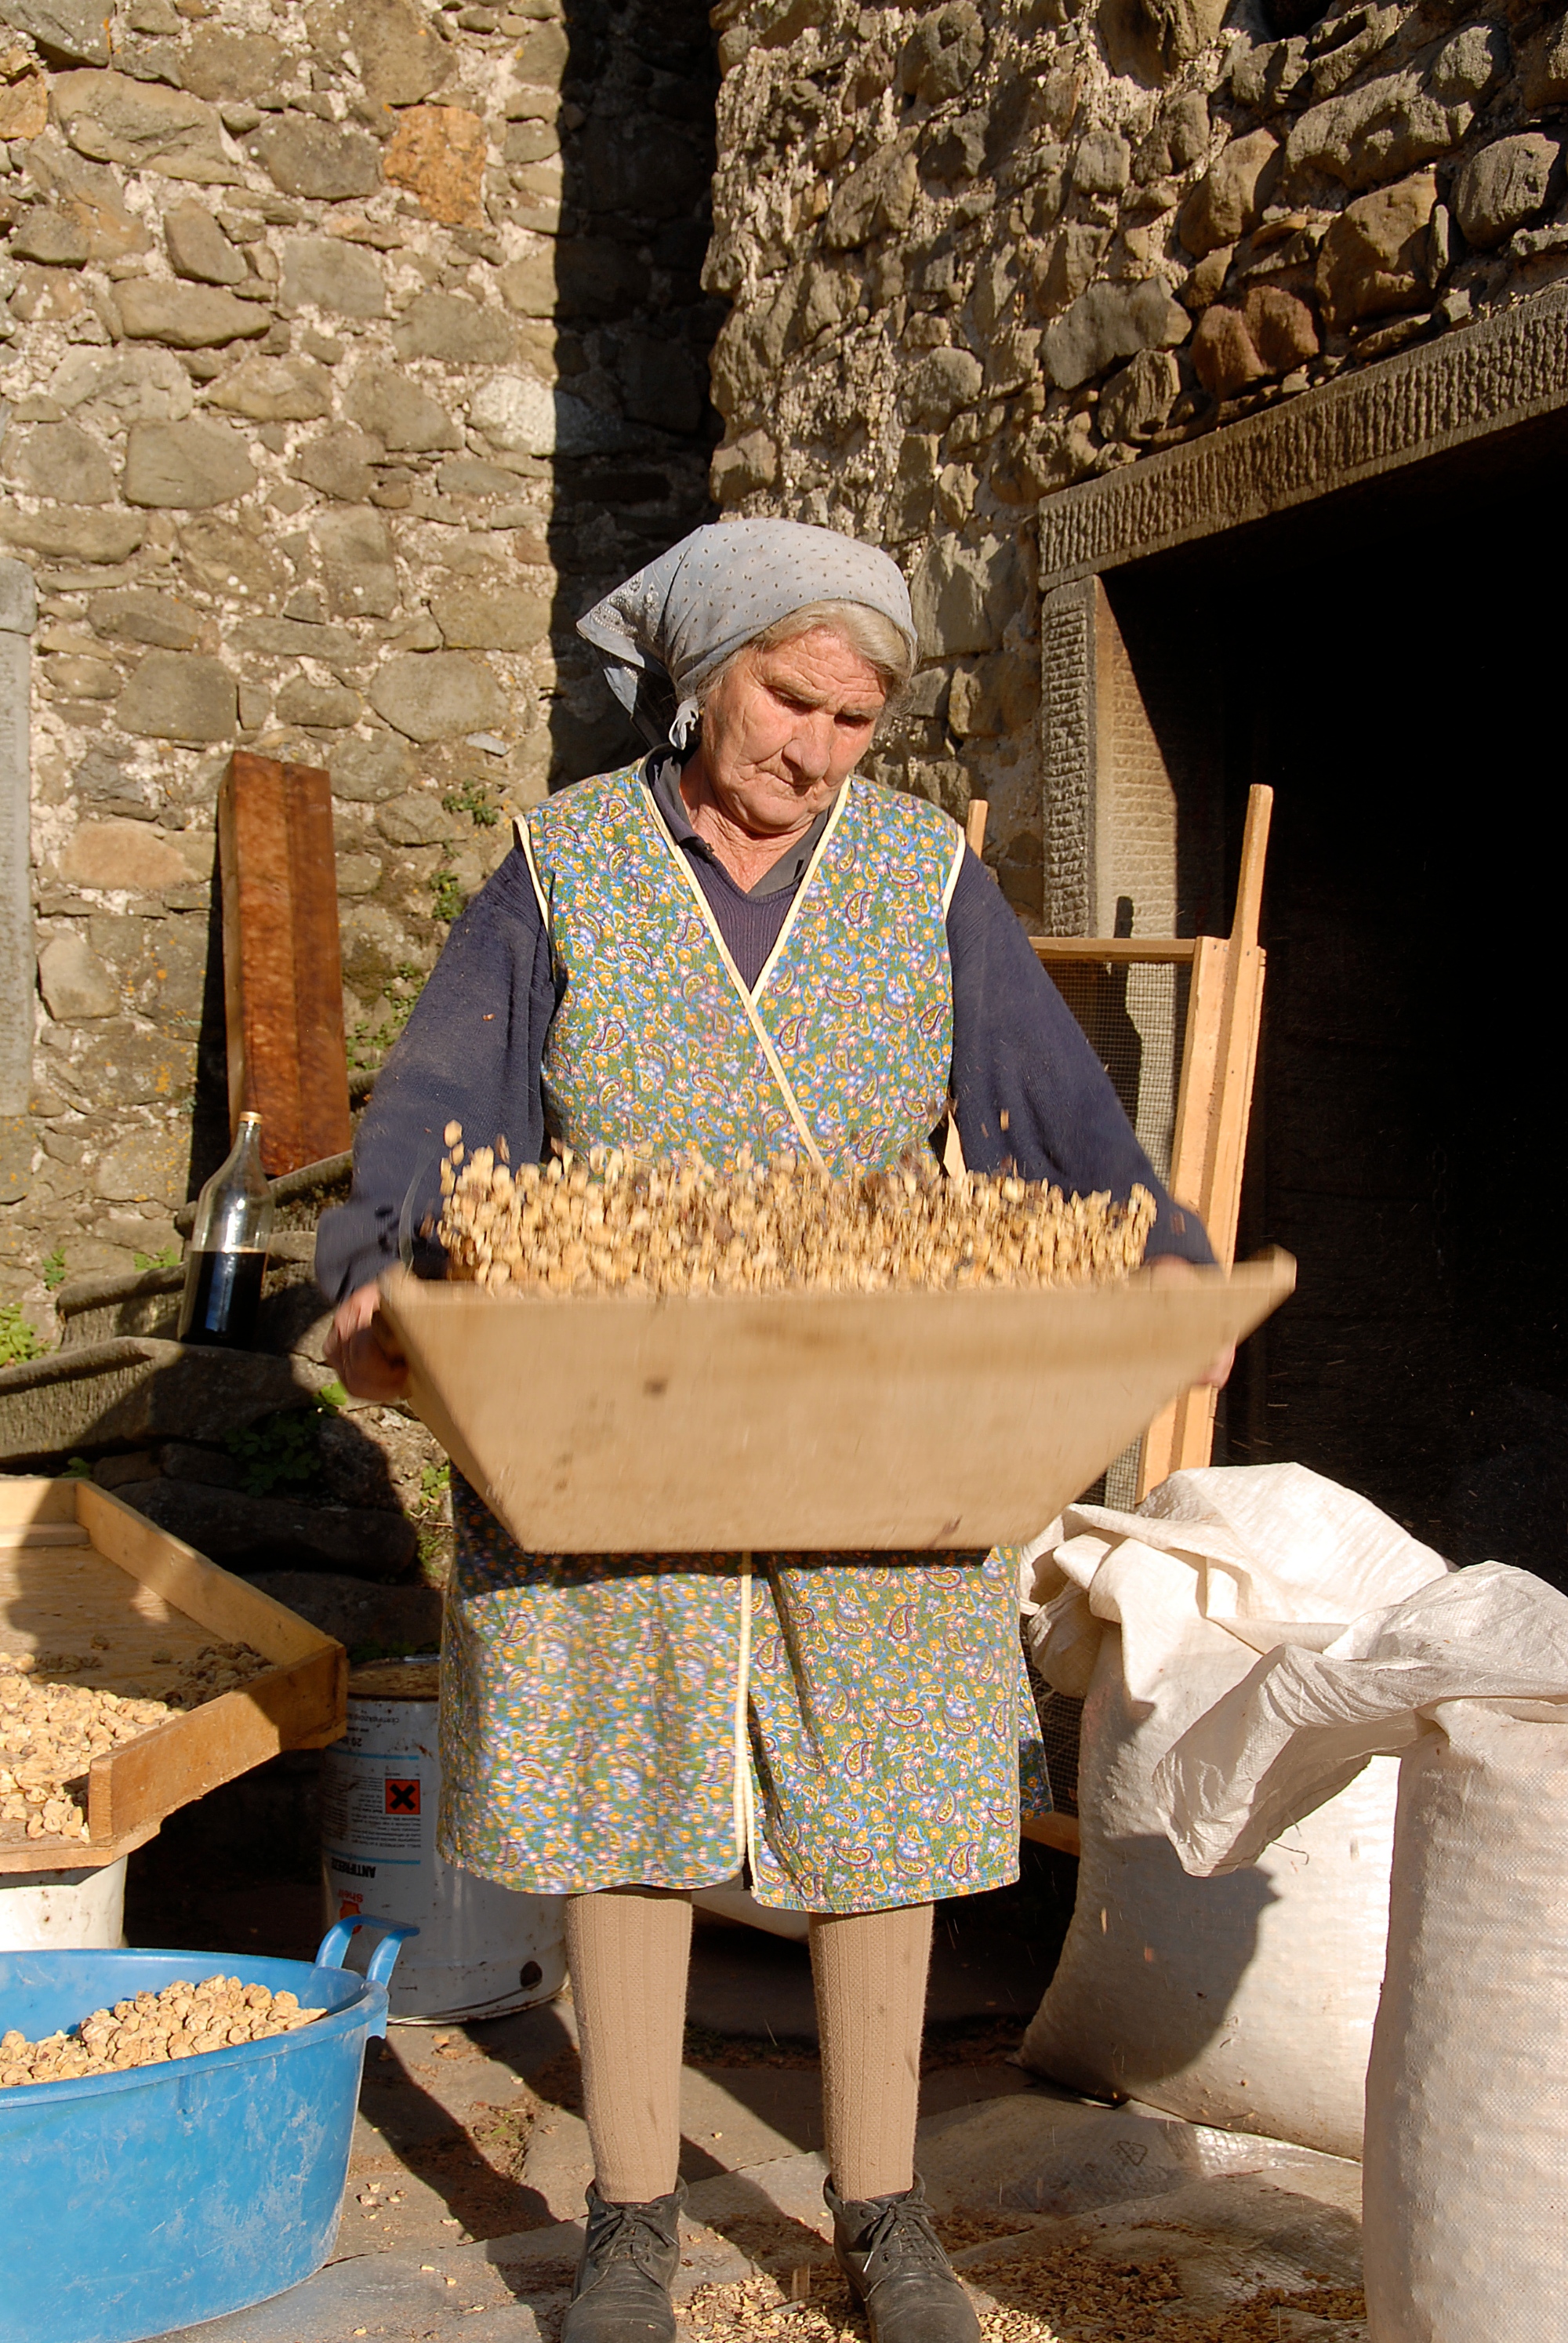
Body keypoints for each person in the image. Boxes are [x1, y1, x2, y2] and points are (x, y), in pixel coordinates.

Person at [318, 519, 1221, 2343]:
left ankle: (881, 2214)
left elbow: (1053, 1112)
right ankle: (634, 2217)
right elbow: (442, 1101)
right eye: (785, 699)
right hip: (611, 1392)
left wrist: (1157, 1267)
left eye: (854, 720)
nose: (812, 749)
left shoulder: (916, 879)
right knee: (631, 1784)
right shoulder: (563, 864)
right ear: (700, 675)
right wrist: (371, 1271)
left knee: (877, 1791)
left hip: (856, 1397)